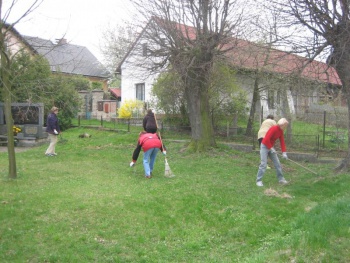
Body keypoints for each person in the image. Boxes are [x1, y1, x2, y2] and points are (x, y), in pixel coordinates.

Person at [256, 118, 289, 187]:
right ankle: (258, 181)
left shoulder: (281, 131)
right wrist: (271, 148)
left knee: (277, 164)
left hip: (271, 147)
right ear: (282, 124)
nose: (286, 127)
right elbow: (266, 139)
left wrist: (284, 152)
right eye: (285, 125)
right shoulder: (274, 128)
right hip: (264, 146)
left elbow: (282, 142)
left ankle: (281, 179)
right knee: (263, 164)